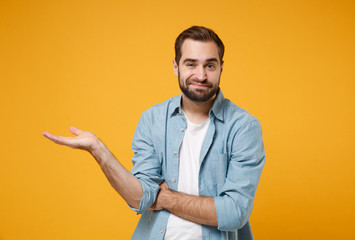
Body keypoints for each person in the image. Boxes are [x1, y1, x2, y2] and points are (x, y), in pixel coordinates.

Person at [42, 26, 265, 240]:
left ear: (221, 68)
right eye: (191, 64)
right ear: (176, 66)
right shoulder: (152, 120)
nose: (201, 75)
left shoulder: (243, 127)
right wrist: (99, 150)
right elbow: (140, 197)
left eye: (210, 65)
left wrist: (165, 198)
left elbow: (234, 212)